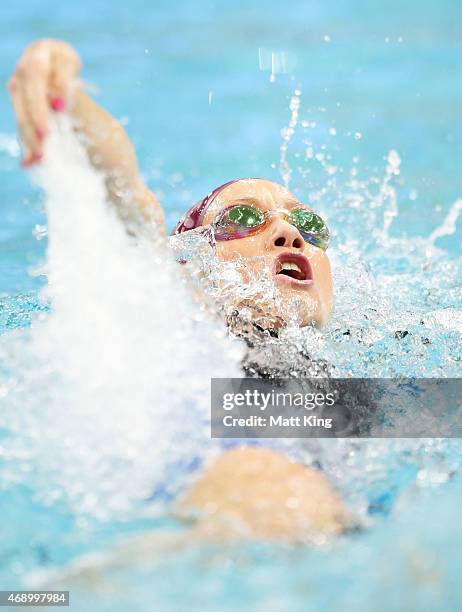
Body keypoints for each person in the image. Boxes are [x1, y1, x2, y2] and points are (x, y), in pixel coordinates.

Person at [8, 39, 351, 543]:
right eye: (242, 220)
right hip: (233, 481)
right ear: (191, 269)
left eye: (308, 225)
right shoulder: (183, 332)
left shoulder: (359, 391)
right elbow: (123, 192)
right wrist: (67, 96)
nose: (289, 234)